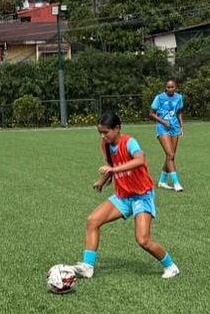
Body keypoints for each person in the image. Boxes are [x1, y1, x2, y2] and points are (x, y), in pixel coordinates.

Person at [72, 111, 179, 280]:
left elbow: (140, 160)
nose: (102, 136)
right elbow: (111, 165)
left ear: (117, 129)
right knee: (93, 220)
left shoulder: (129, 142)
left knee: (143, 240)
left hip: (141, 196)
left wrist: (113, 170)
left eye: (106, 132)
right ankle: (87, 267)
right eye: (100, 132)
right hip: (122, 196)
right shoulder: (106, 146)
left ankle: (171, 266)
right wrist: (102, 181)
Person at [150, 79, 185, 191]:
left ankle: (162, 181)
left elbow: (179, 112)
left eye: (172, 87)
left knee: (171, 155)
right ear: (166, 88)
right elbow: (151, 114)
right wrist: (163, 122)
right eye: (168, 87)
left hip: (174, 127)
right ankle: (176, 183)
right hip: (162, 128)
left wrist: (181, 126)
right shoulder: (159, 98)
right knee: (170, 154)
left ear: (176, 87)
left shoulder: (179, 97)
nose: (170, 89)